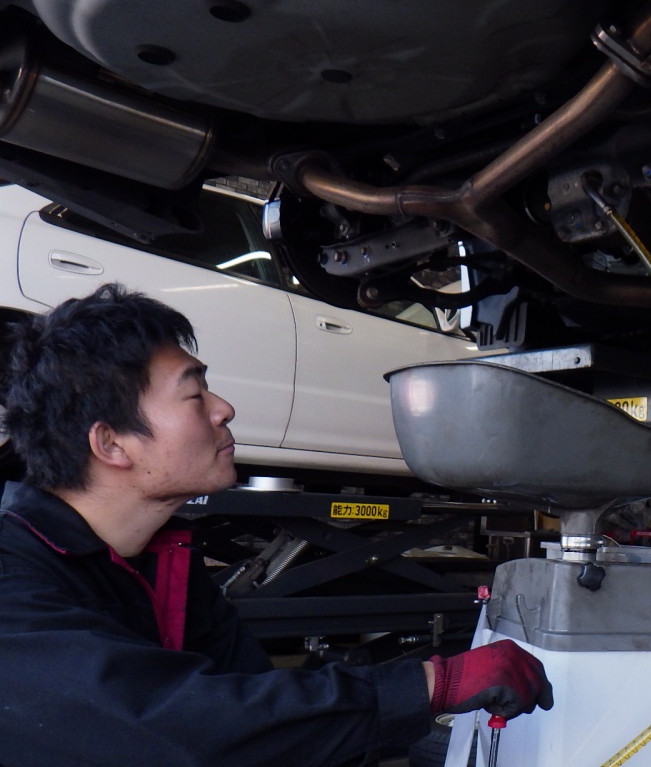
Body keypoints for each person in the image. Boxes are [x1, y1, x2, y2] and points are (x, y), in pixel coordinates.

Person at [0, 283, 553, 766]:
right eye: (194, 395)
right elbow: (164, 728)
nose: (223, 409)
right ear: (111, 444)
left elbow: (256, 713)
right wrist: (431, 685)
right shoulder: (12, 579)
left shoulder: (161, 561)